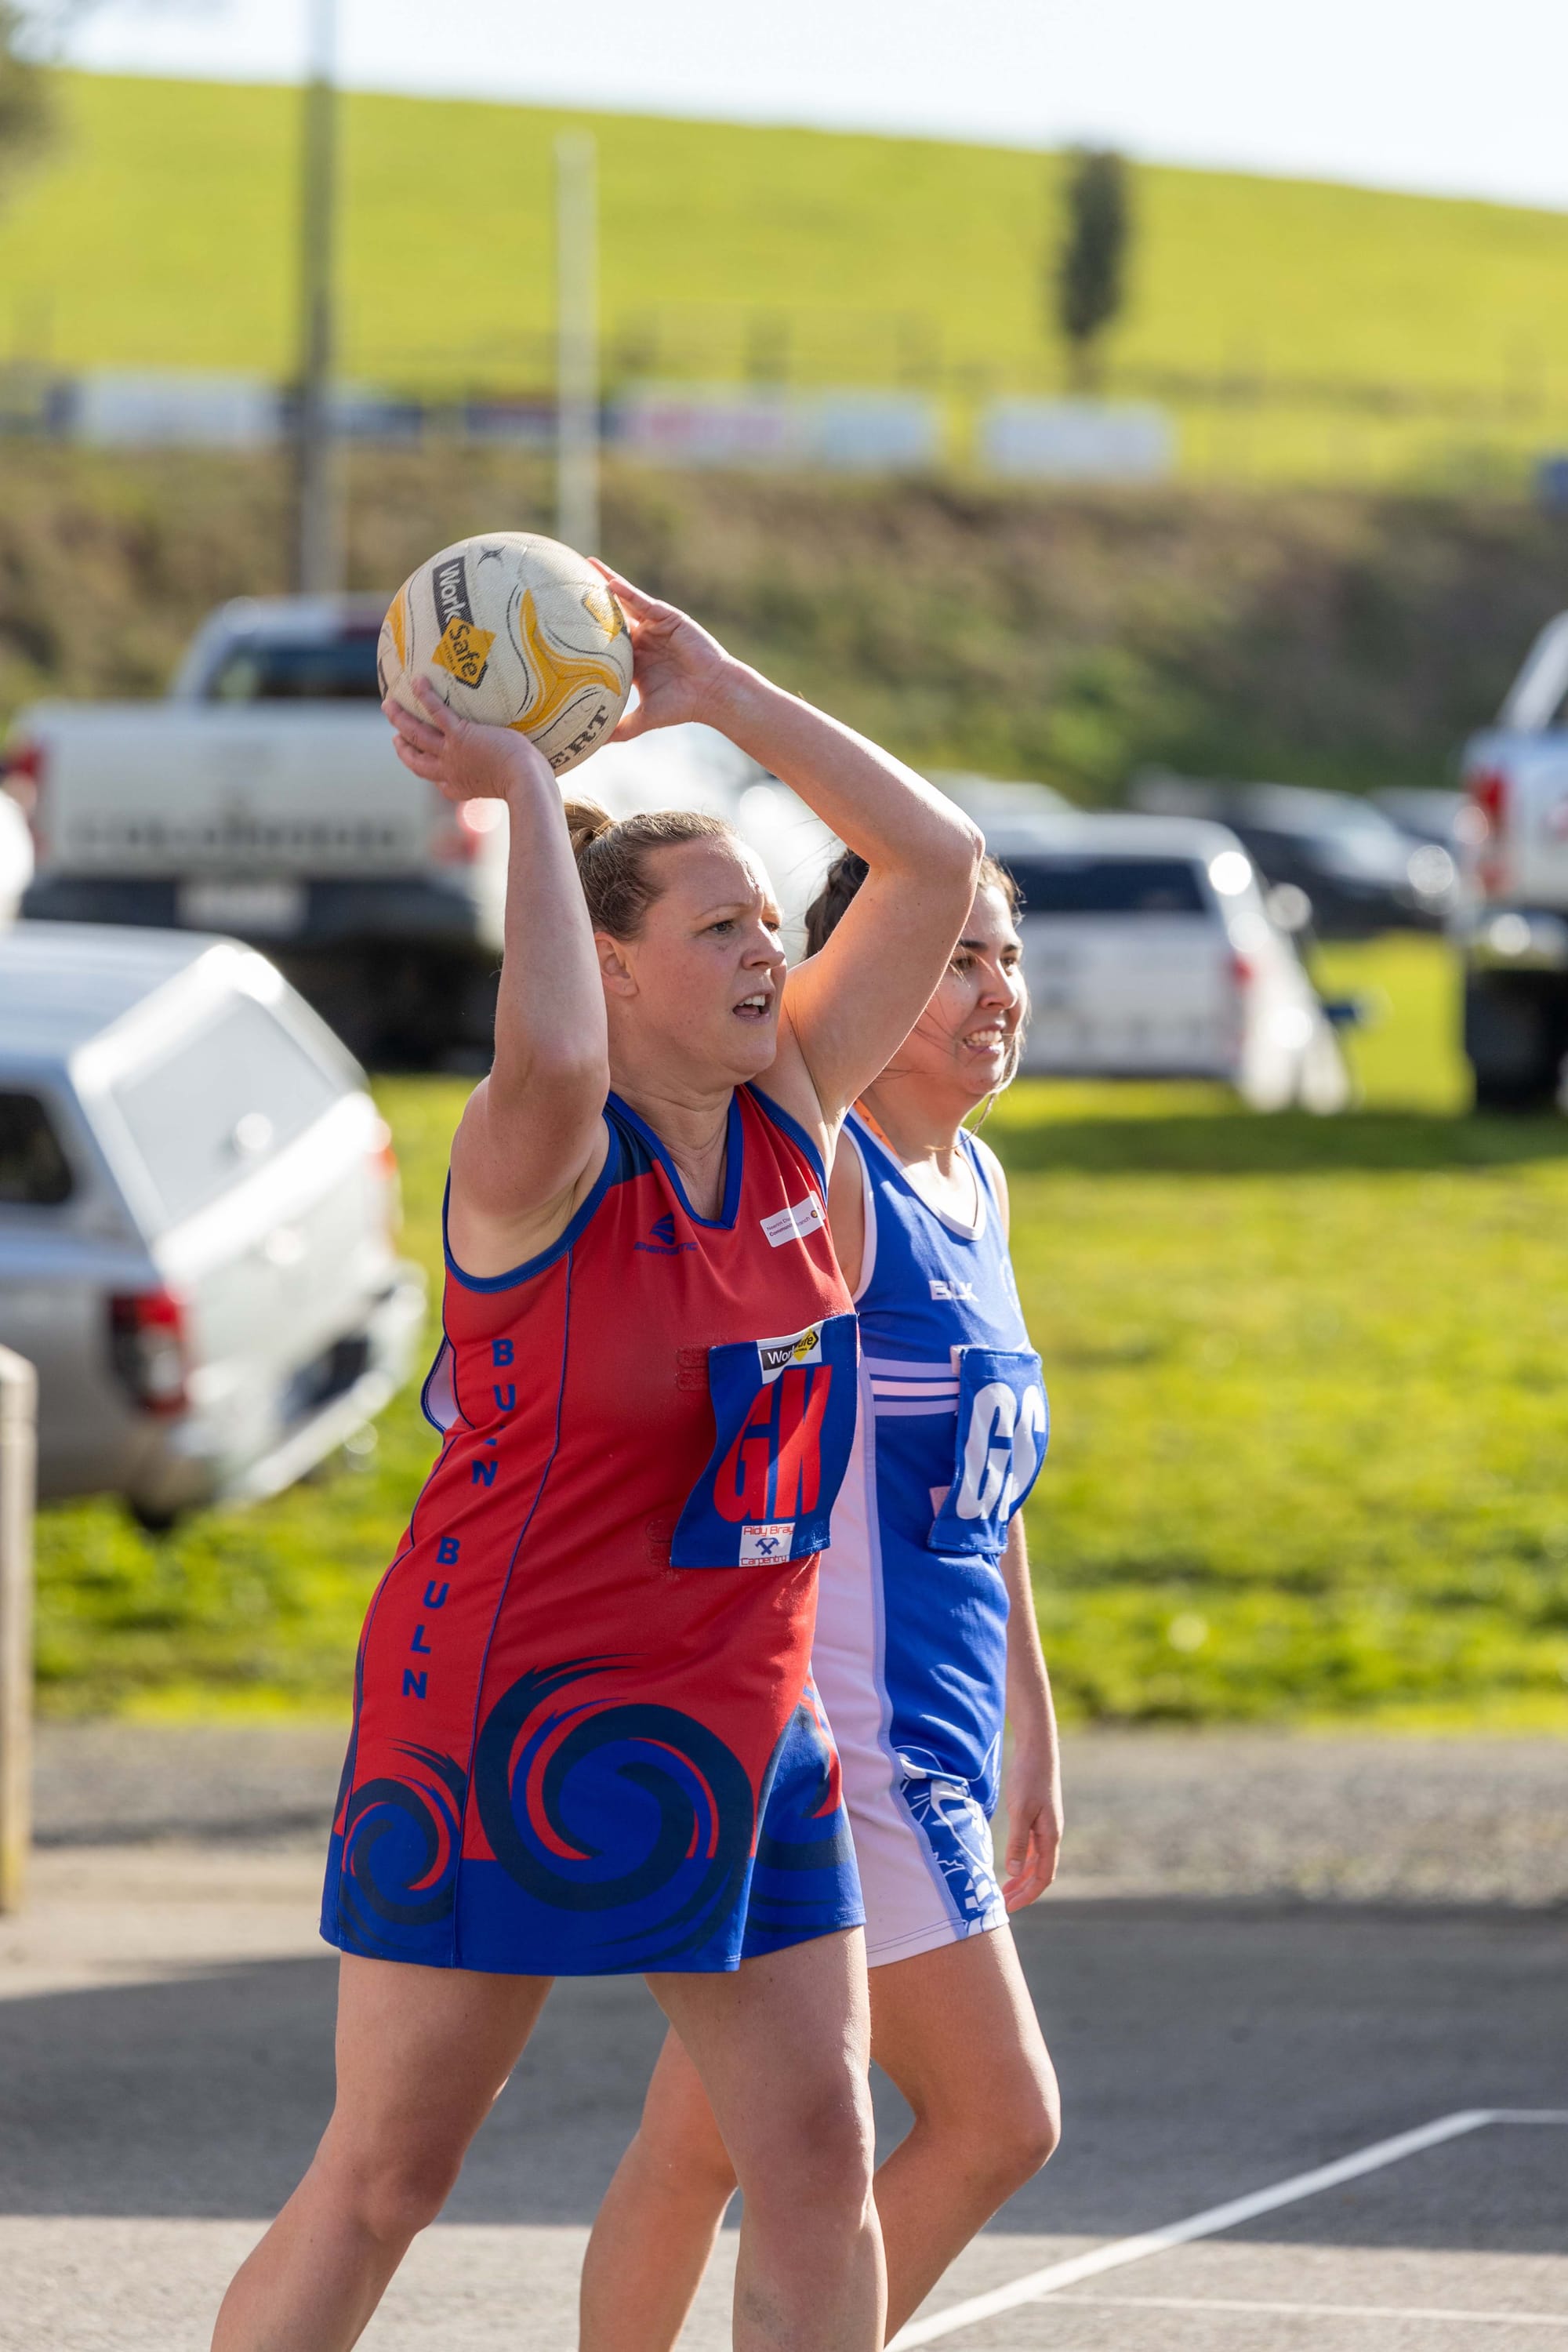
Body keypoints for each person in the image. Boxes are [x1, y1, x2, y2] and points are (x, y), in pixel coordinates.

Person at [210, 567, 981, 2352]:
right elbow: (551, 1037)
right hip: (504, 1706)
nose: (769, 956)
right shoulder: (538, 1153)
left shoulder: (794, 1120)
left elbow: (933, 864)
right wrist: (528, 806)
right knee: (391, 2178)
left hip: (746, 1723)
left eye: (769, 924)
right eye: (719, 932)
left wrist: (718, 686)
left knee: (811, 2161)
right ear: (616, 962)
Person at [579, 846, 1062, 2352]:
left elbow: (983, 1504)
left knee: (704, 2141)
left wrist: (1031, 1722)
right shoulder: (827, 1170)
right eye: (953, 959)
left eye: (1002, 959)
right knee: (999, 2118)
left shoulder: (975, 1180)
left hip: (939, 1732)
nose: (992, 992)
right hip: (842, 1734)